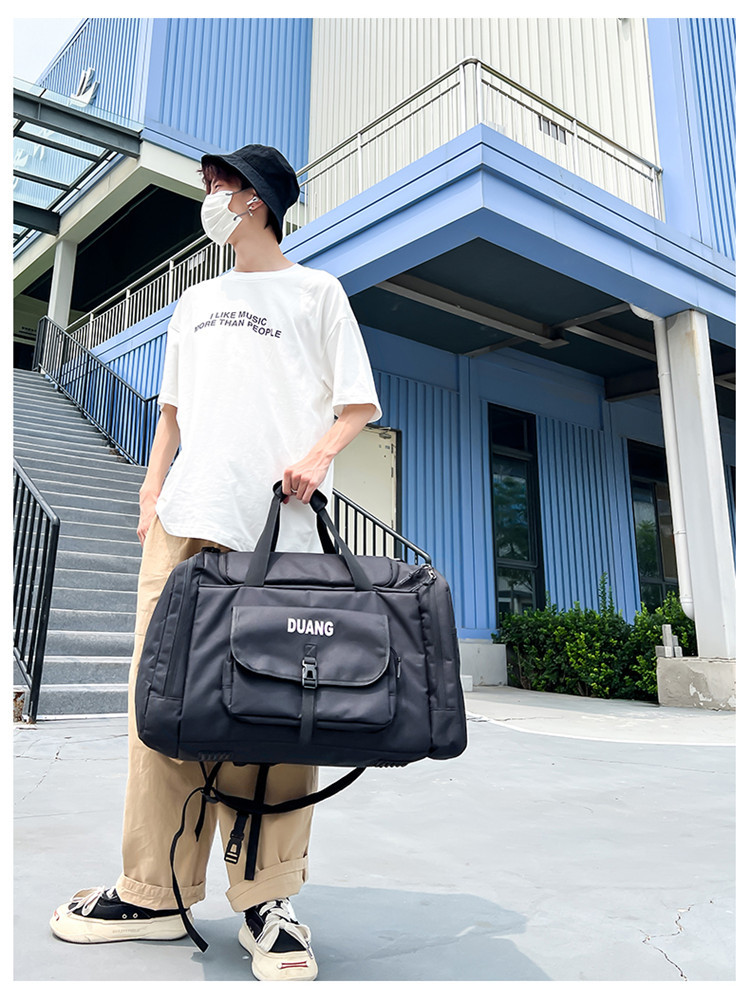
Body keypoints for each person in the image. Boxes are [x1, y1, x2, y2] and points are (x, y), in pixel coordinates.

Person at [50, 144, 382, 982]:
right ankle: (153, 890)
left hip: (276, 529)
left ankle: (268, 900)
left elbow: (357, 404)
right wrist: (149, 492)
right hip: (184, 520)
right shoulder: (196, 301)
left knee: (278, 711)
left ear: (256, 201)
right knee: (159, 702)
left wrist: (316, 457)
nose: (210, 198)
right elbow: (170, 414)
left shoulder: (317, 292)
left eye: (220, 186)